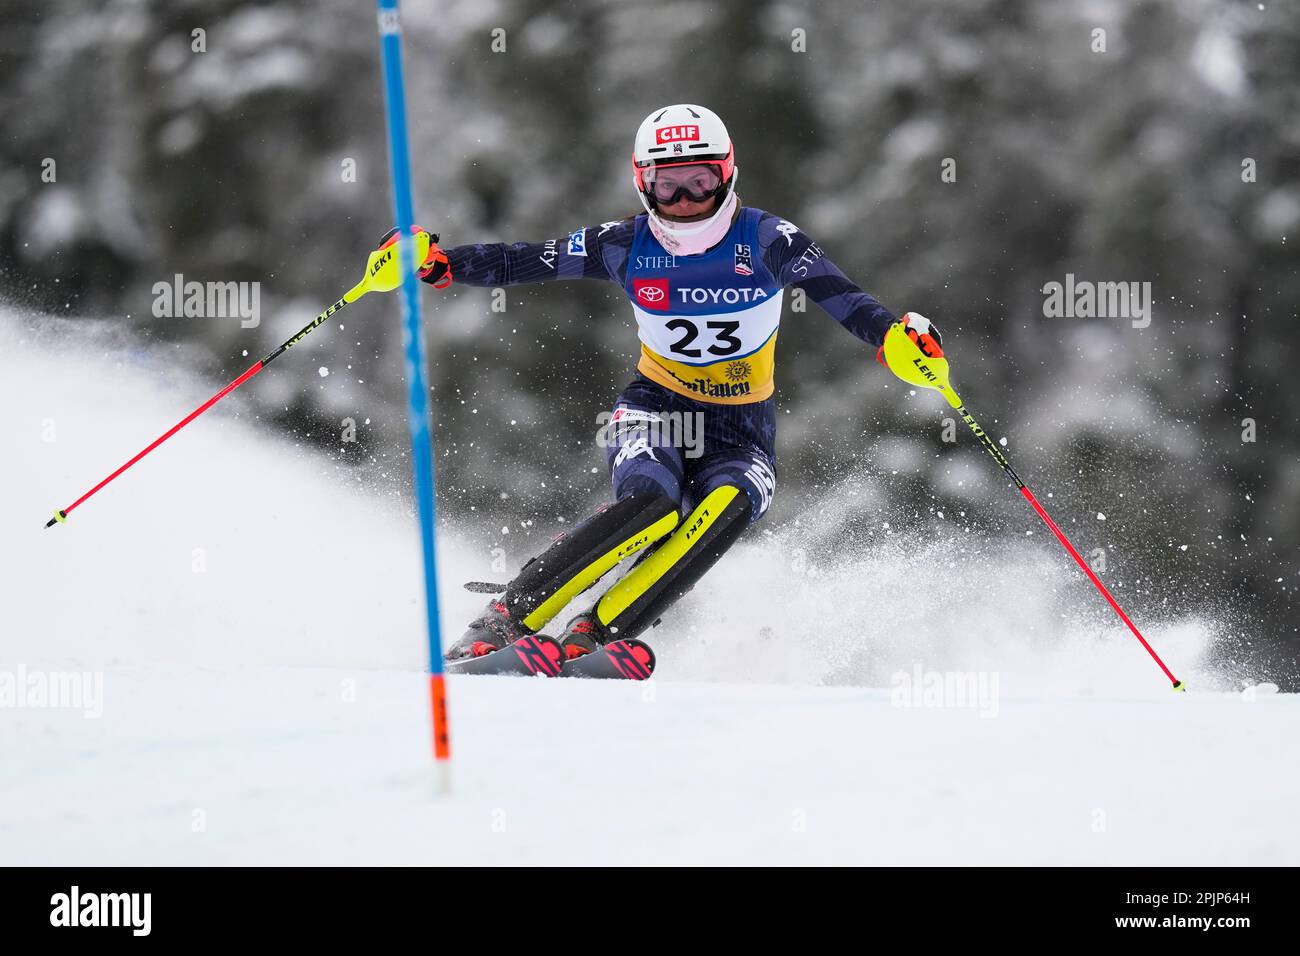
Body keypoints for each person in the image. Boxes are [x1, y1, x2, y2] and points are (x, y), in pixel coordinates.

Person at [393, 103, 943, 661]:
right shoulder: (625, 244)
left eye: (699, 183)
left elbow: (843, 296)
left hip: (742, 432)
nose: (684, 202)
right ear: (643, 185)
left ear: (727, 175)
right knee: (654, 503)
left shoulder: (770, 240)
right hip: (656, 411)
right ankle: (503, 621)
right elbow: (523, 261)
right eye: (667, 185)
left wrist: (893, 336)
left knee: (728, 505)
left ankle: (596, 634)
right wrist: (435, 262)